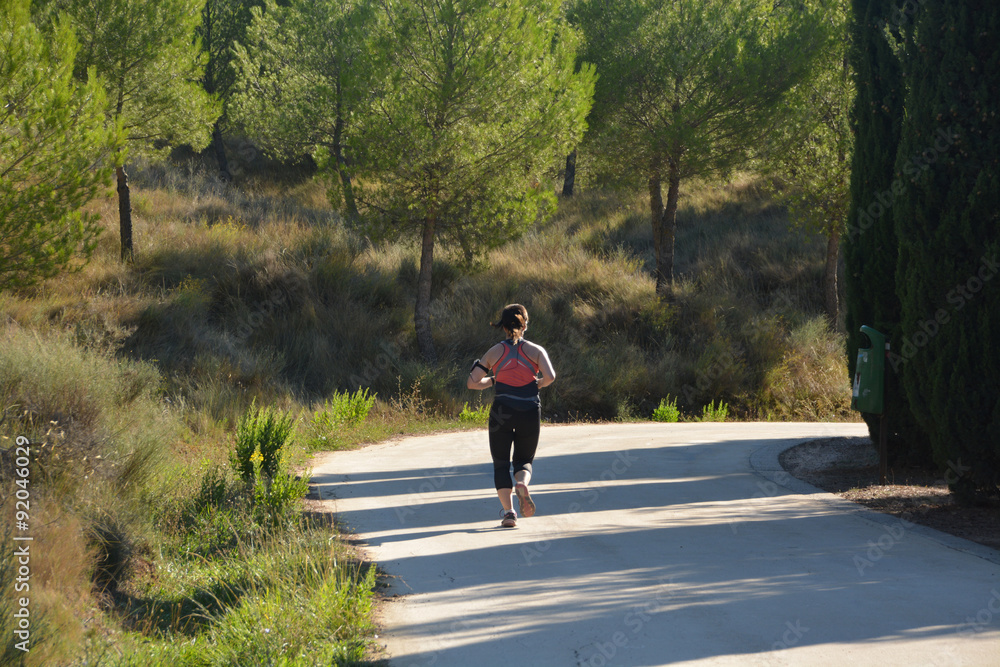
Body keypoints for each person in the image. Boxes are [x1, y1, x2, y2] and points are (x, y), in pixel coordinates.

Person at [467, 303, 556, 528]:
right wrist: (538, 383)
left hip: (501, 412)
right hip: (529, 410)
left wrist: (495, 380)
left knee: (500, 464)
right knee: (524, 460)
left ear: (503, 326)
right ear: (524, 324)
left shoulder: (494, 351)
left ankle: (509, 513)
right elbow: (551, 376)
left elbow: (472, 383)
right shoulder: (536, 350)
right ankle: (522, 483)